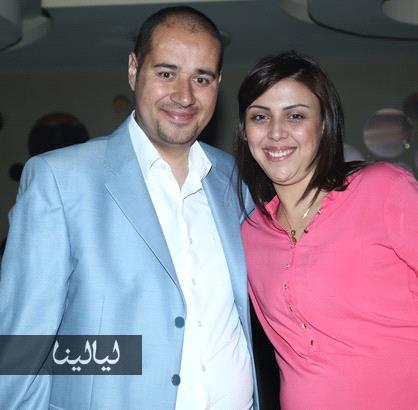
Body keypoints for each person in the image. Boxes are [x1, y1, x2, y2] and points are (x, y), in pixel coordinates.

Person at [0, 6, 258, 409]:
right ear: (134, 70)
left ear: (218, 83)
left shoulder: (236, 180)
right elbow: (23, 347)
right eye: (167, 73)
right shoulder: (61, 179)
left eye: (201, 78)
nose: (185, 96)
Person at [235, 51, 418, 410]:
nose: (276, 132)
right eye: (260, 116)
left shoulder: (383, 190)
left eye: (296, 115)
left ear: (323, 125)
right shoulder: (250, 234)